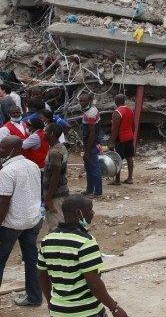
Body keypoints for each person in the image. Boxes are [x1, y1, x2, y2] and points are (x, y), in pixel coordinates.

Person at [37, 195, 128, 317]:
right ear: (78, 213)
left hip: (58, 311)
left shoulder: (47, 240)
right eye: (89, 210)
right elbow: (94, 282)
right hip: (87, 311)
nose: (92, 213)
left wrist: (51, 303)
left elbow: (42, 275)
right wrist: (114, 307)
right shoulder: (85, 242)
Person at [0, 135, 43, 308]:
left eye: (2, 148)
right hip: (32, 220)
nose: (0, 151)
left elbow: (3, 202)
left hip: (11, 224)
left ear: (13, 149)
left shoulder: (7, 172)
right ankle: (34, 297)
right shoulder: (32, 165)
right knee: (32, 259)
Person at [41, 123, 69, 232]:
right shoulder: (60, 147)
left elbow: (55, 177)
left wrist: (48, 198)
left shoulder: (55, 152)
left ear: (51, 134)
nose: (43, 133)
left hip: (55, 195)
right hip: (60, 192)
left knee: (56, 225)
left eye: (45, 131)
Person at [79, 93, 102, 197]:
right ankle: (89, 190)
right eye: (80, 100)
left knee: (94, 168)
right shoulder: (91, 110)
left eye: (83, 101)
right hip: (90, 144)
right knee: (89, 167)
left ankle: (97, 191)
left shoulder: (91, 113)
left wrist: (87, 150)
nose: (81, 103)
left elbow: (92, 133)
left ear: (89, 101)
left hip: (91, 145)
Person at [110, 94, 135, 185]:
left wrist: (112, 142)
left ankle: (117, 180)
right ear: (124, 101)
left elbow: (115, 128)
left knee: (118, 158)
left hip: (121, 138)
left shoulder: (117, 112)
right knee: (129, 157)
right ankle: (130, 178)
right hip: (129, 136)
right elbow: (133, 125)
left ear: (116, 102)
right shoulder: (130, 110)